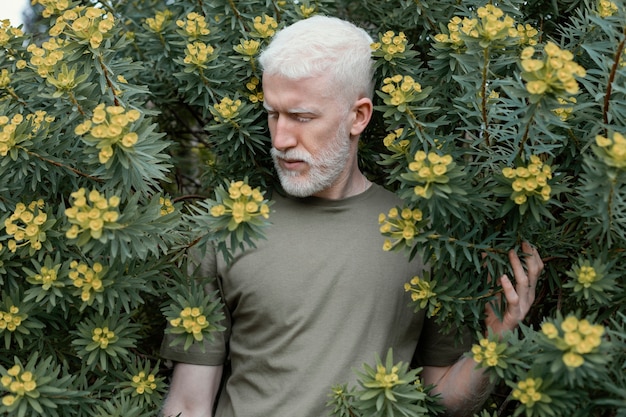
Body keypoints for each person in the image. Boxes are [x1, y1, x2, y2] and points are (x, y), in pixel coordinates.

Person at [160, 15, 544, 417]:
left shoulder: (426, 236)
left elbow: (442, 401)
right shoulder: (226, 232)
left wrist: (496, 343)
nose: (280, 139)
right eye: (273, 113)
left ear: (358, 116)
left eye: (302, 117)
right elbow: (188, 404)